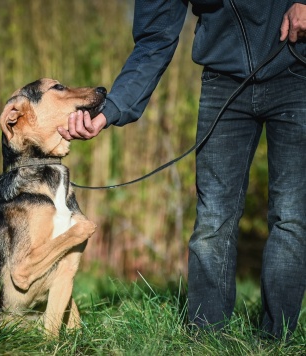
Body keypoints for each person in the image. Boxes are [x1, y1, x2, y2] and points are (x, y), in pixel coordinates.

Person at [58, 1, 306, 338]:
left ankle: (281, 339)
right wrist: (109, 111)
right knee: (213, 218)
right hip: (223, 81)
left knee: (291, 216)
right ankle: (205, 338)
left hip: (296, 69)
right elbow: (153, 41)